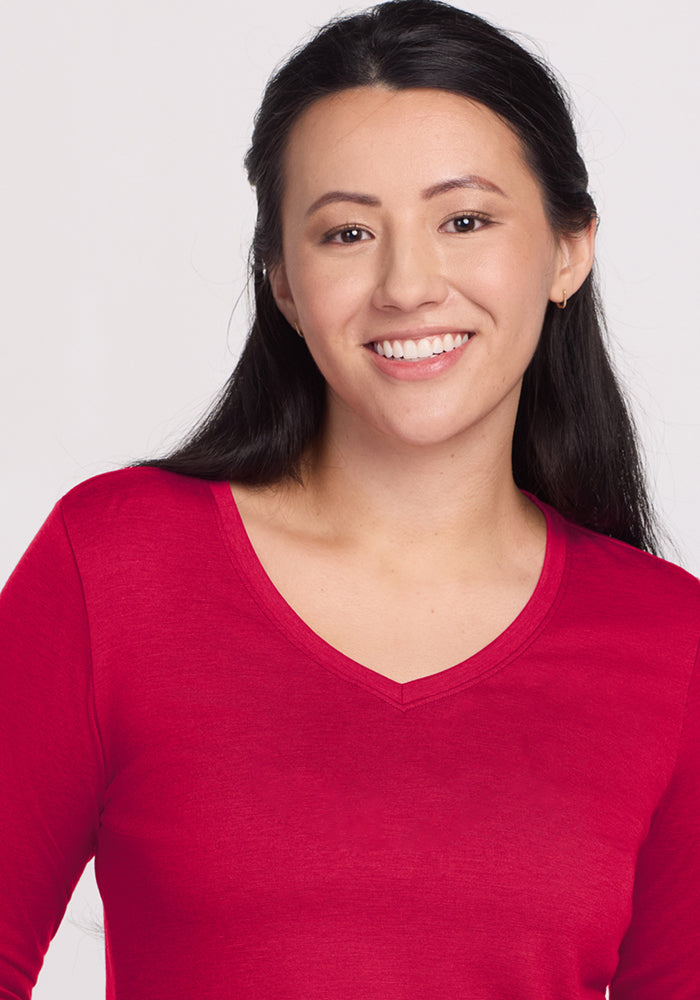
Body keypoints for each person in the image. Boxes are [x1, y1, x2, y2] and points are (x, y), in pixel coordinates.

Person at [1, 1, 698, 997]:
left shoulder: (673, 645)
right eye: (346, 232)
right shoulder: (114, 567)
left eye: (464, 220)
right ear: (283, 283)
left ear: (567, 249)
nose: (407, 284)